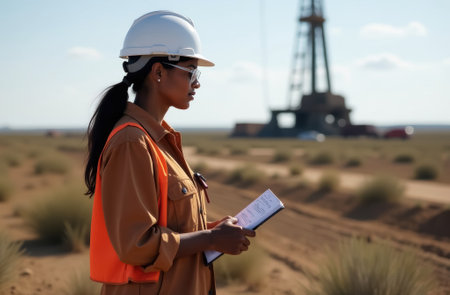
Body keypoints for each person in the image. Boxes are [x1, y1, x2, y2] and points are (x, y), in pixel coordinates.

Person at [84, 10, 255, 295]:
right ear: (159, 72)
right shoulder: (132, 142)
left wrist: (214, 231)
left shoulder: (160, 139)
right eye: (191, 71)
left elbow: (169, 224)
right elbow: (136, 244)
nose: (197, 83)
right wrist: (211, 238)